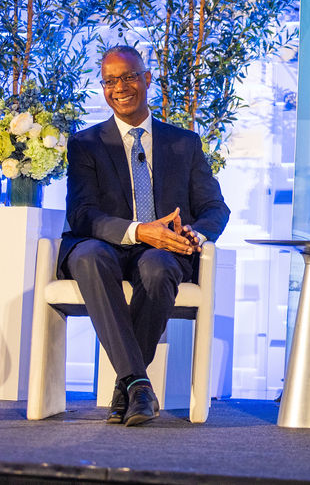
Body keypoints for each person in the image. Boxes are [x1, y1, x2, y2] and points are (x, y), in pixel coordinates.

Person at [58, 46, 230, 426]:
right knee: (87, 255)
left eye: (129, 76)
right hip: (106, 244)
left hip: (162, 250)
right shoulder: (86, 144)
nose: (119, 87)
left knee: (157, 267)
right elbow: (82, 214)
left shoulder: (183, 143)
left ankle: (130, 387)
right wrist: (138, 230)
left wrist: (192, 234)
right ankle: (138, 382)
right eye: (110, 80)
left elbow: (216, 209)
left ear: (147, 79)